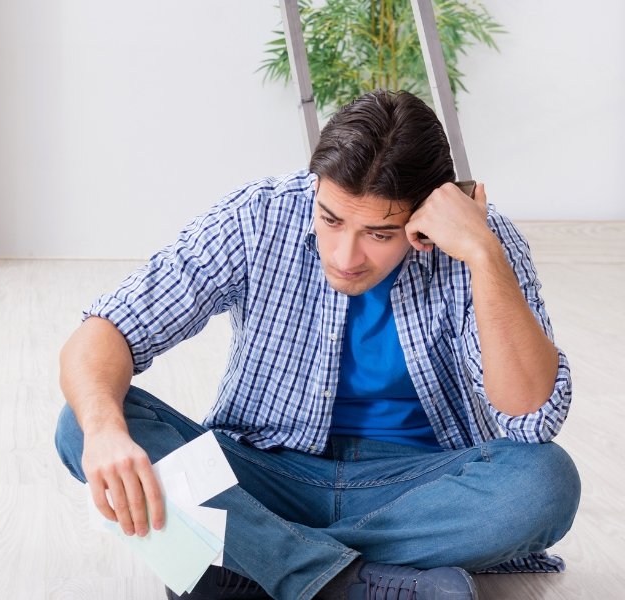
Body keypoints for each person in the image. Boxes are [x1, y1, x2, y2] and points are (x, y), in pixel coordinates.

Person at [54, 90, 580, 600]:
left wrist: (483, 256)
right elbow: (108, 330)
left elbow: (530, 419)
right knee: (85, 420)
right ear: (316, 185)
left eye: (379, 233)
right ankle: (351, 582)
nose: (346, 254)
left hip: (415, 490)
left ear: (425, 214)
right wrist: (104, 432)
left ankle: (249, 561)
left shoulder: (481, 244)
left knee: (544, 482)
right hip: (264, 473)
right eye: (330, 219)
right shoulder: (259, 219)